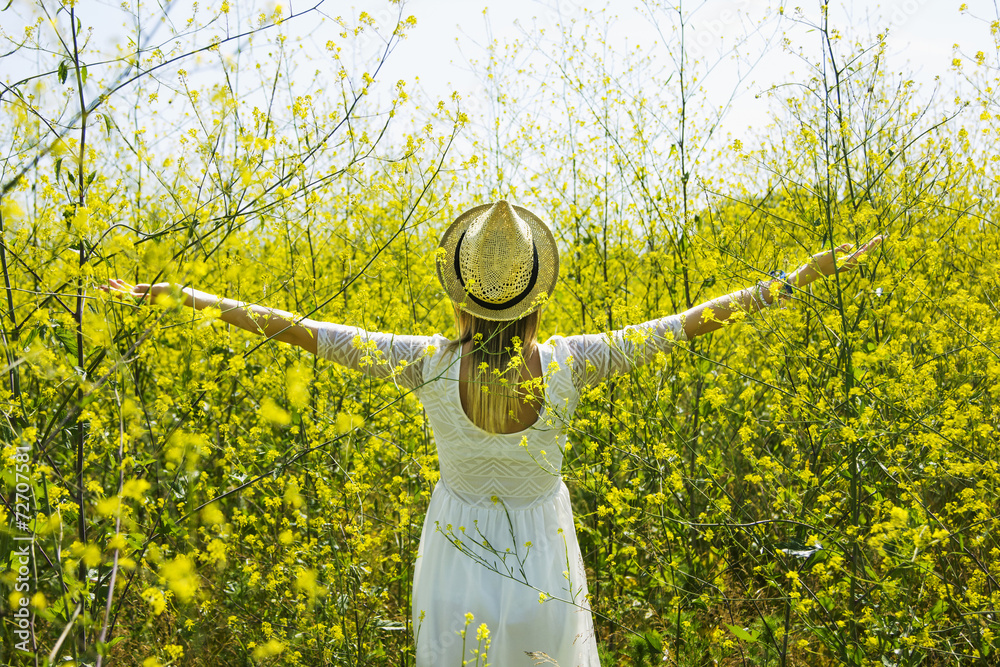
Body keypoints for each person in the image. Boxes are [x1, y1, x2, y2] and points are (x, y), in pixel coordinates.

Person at [104, 201, 883, 666]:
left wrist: (183, 295)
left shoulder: (424, 365)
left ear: (463, 296)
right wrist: (797, 279)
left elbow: (300, 330)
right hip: (544, 553)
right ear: (536, 296)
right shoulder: (579, 363)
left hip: (454, 558)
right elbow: (690, 323)